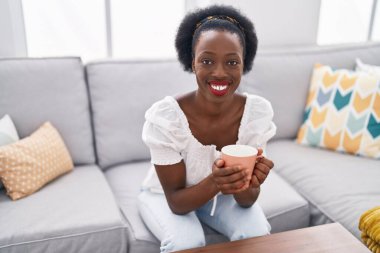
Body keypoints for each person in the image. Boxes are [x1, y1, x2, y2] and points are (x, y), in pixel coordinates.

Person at [138, 5, 276, 253]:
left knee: (257, 234)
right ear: (192, 62)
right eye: (207, 60)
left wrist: (251, 182)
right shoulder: (166, 117)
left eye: (232, 62)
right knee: (187, 242)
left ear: (243, 64)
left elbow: (247, 202)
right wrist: (215, 182)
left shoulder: (257, 114)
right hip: (165, 196)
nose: (220, 72)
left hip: (221, 197)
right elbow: (177, 204)